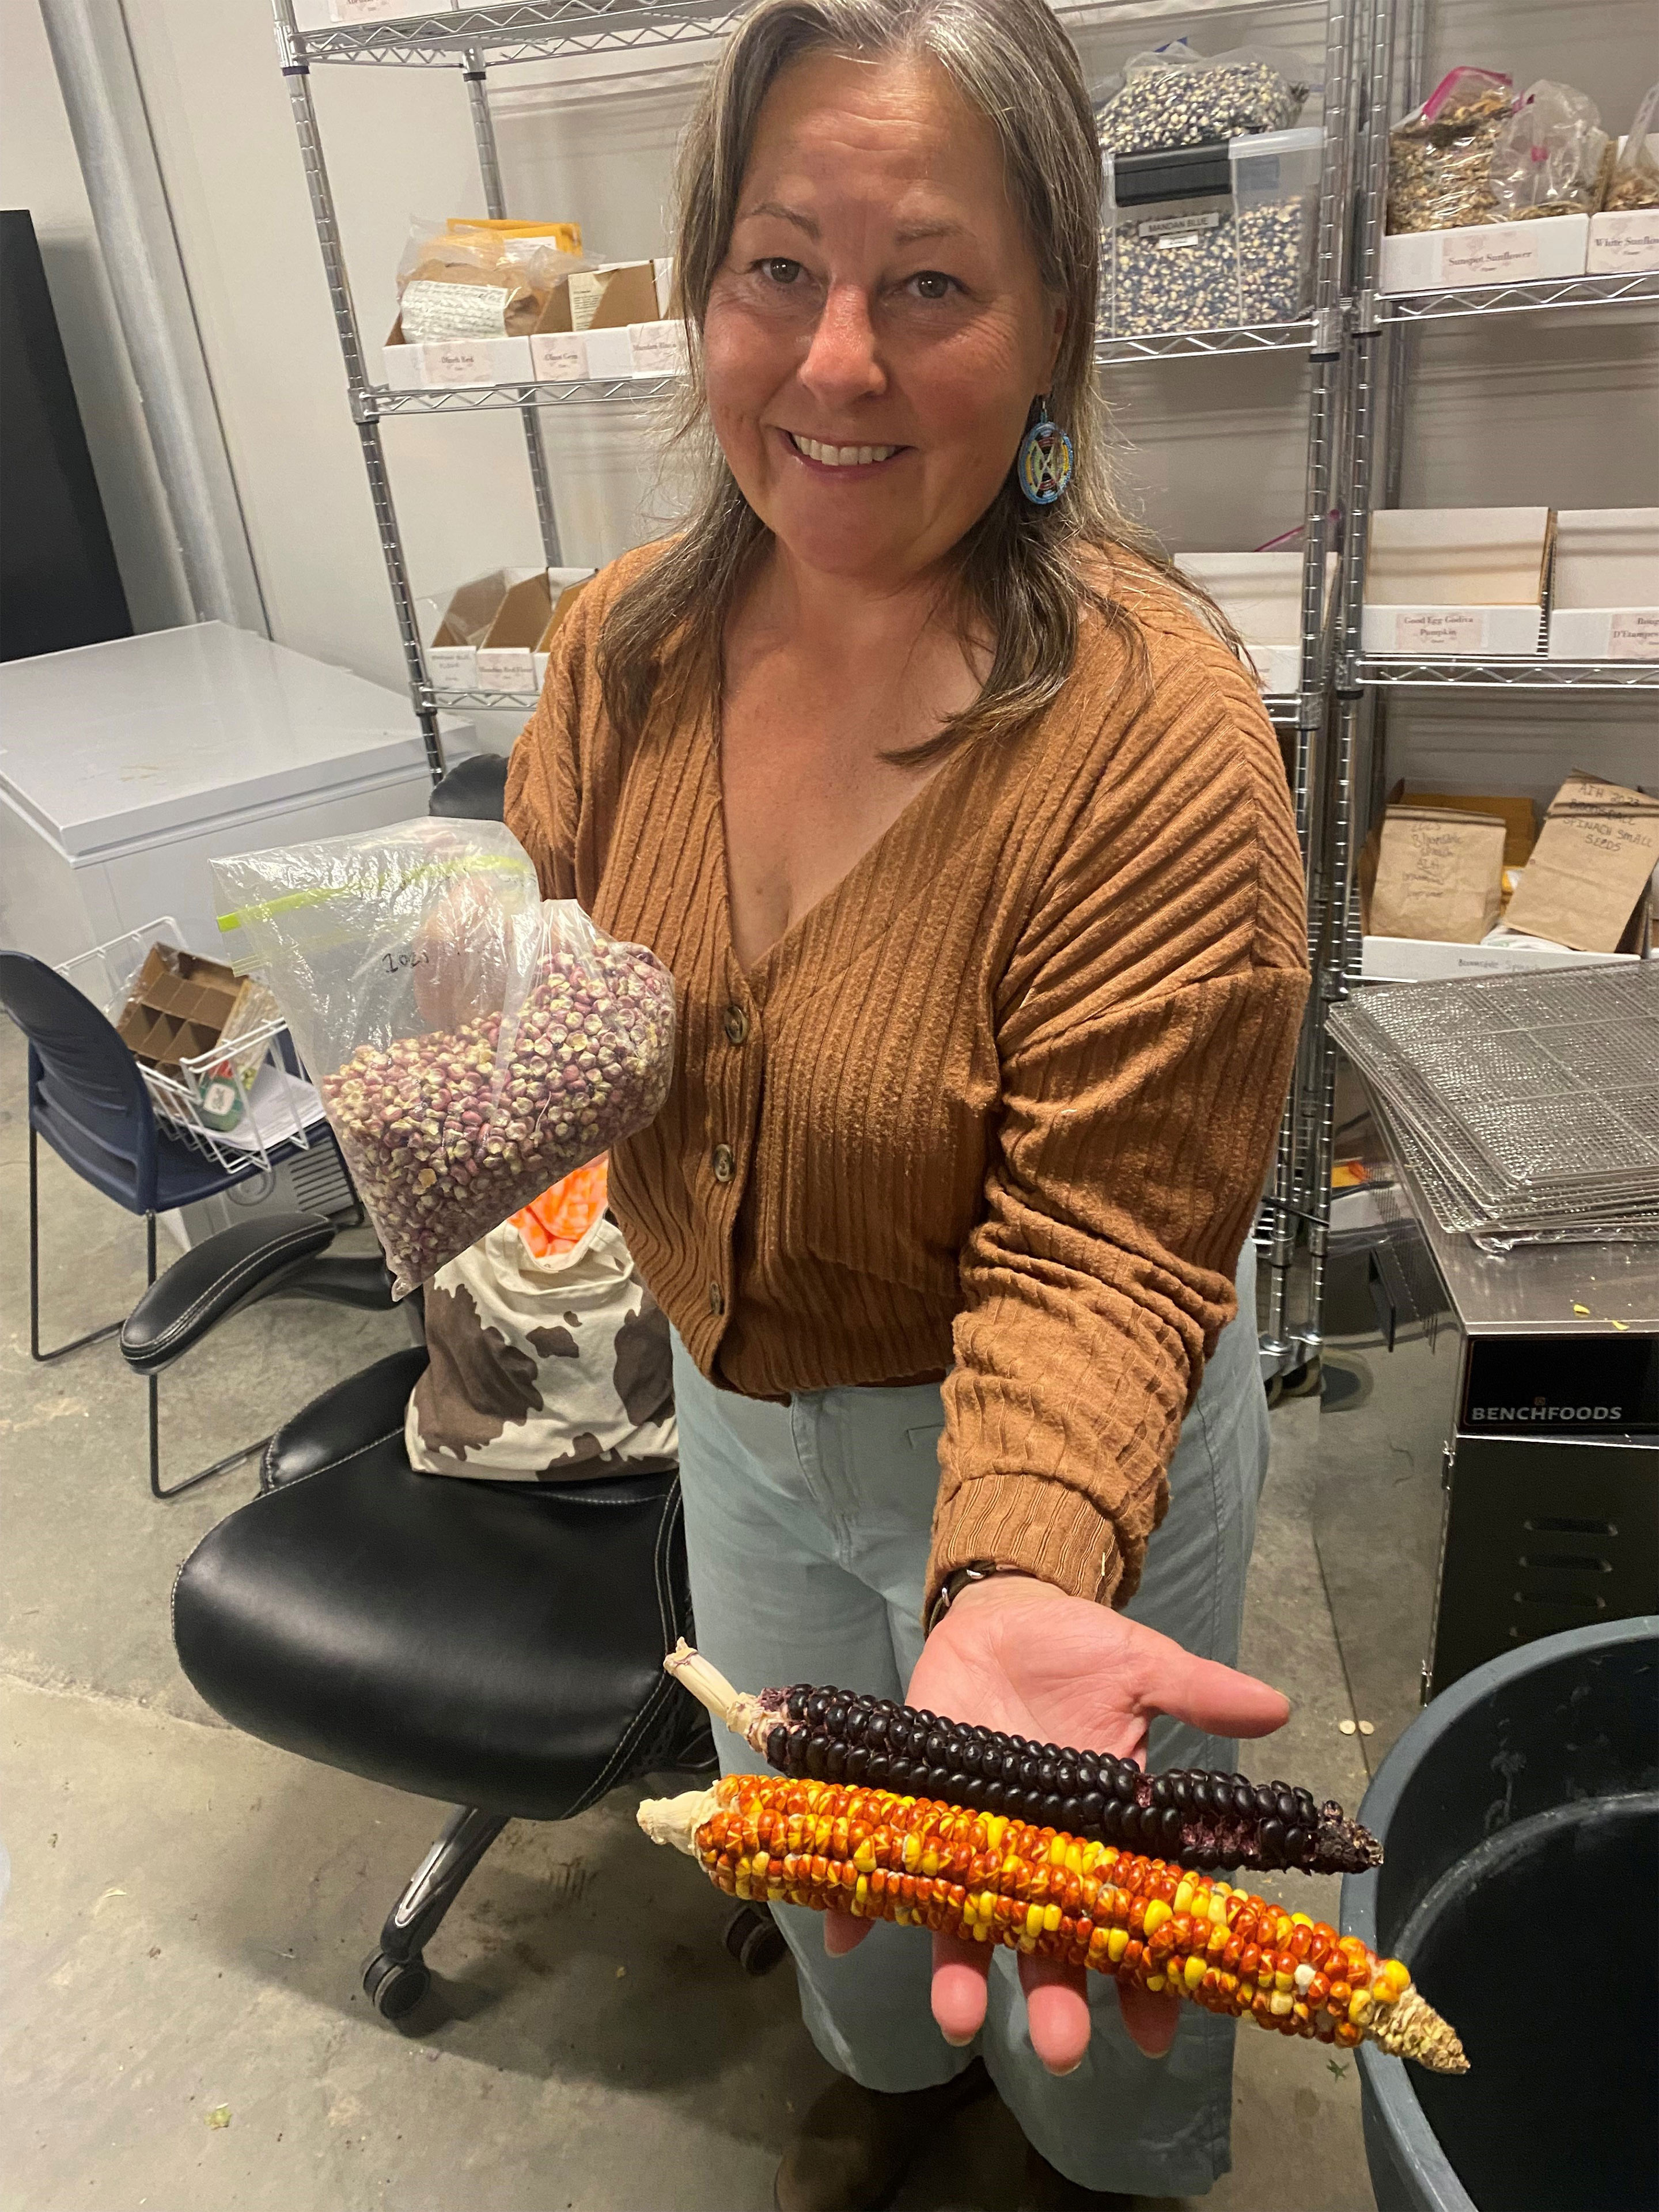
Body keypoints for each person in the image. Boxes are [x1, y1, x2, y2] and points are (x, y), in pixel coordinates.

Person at [505, 0, 1309, 2199]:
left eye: (930, 285)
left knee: (1080, 1957)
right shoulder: (625, 652)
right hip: (744, 1430)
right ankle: (894, 2102)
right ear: (707, 283)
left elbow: (1108, 1242)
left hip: (1047, 1443)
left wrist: (1020, 1563)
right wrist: (467, 1068)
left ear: (1057, 320)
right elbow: (572, 986)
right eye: (780, 267)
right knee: (862, 1931)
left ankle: (1107, 2161)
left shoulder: (1151, 740)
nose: (835, 363)